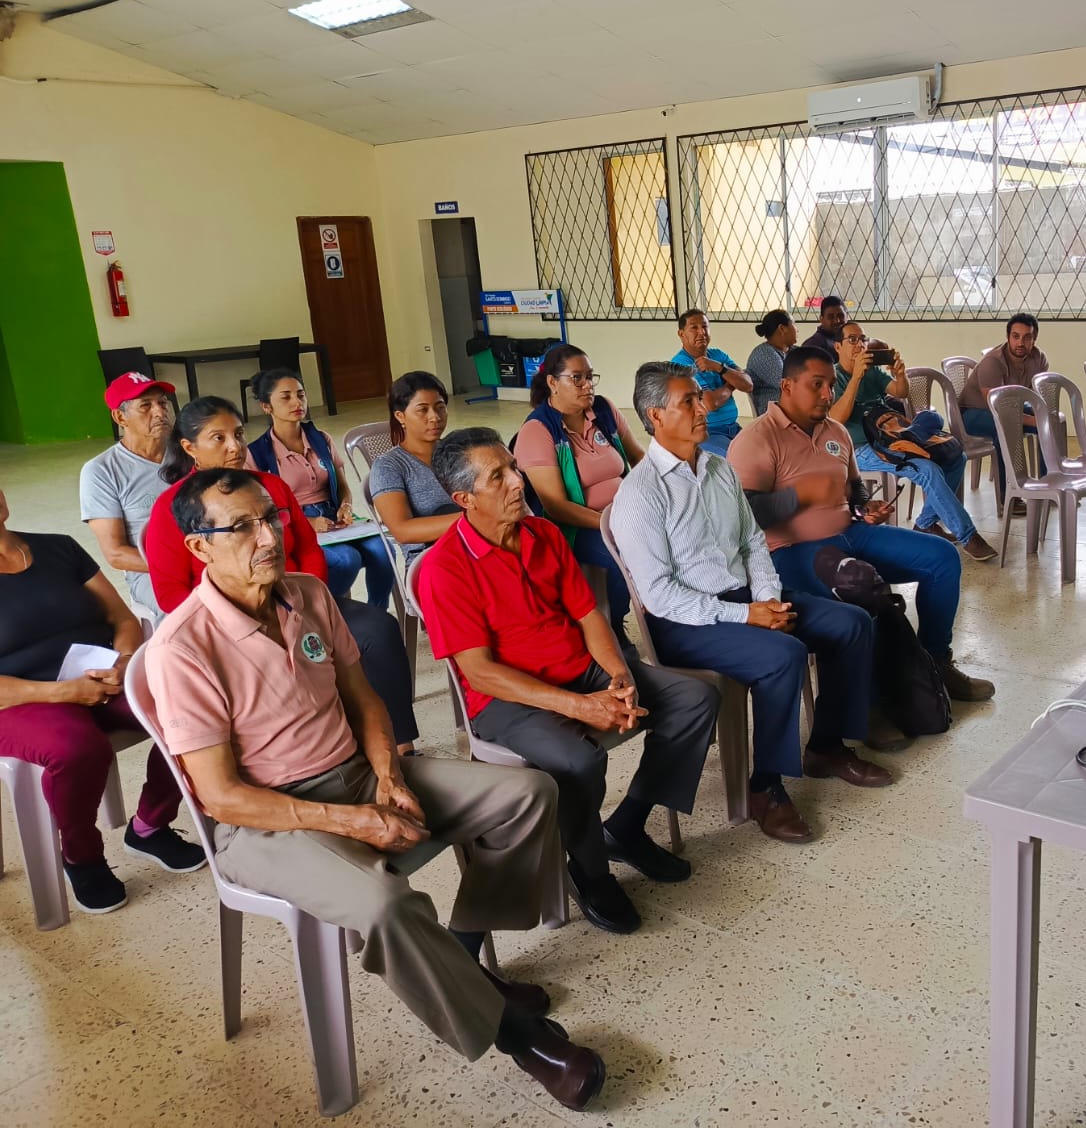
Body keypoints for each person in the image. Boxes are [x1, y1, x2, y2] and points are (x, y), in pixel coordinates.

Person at [143, 468, 605, 1111]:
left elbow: (363, 700)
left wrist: (387, 774)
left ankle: (460, 958)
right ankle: (519, 1037)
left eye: (271, 517)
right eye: (242, 527)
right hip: (268, 821)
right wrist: (353, 821)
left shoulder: (306, 593)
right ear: (199, 547)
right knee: (386, 904)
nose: (268, 537)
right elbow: (221, 797)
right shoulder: (182, 647)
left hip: (357, 772)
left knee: (527, 794)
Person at [414, 428, 719, 936]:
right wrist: (580, 707)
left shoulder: (543, 534)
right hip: (508, 698)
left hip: (581, 669)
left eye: (514, 467)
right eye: (498, 477)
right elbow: (480, 672)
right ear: (465, 499)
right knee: (579, 760)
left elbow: (588, 615)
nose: (518, 481)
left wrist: (619, 678)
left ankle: (627, 826)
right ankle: (591, 870)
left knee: (694, 698)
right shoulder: (445, 568)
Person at [612, 363, 891, 844]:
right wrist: (745, 616)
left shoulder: (718, 469)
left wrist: (767, 600)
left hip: (745, 598)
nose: (703, 408)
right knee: (782, 656)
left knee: (852, 623)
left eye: (699, 397)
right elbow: (659, 596)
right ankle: (765, 787)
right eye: (688, 402)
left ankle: (826, 745)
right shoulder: (641, 492)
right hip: (686, 621)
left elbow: (752, 542)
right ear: (655, 416)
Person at [143, 397, 420, 751]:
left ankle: (400, 745)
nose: (235, 447)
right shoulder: (173, 507)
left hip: (295, 602)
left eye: (238, 434)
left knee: (378, 628)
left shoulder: (269, 488)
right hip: (227, 625)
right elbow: (170, 593)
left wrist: (306, 600)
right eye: (218, 438)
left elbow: (308, 549)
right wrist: (233, 620)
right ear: (189, 447)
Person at [727, 347, 995, 703]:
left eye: (830, 385)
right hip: (792, 552)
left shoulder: (836, 431)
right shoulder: (757, 439)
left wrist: (864, 508)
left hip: (852, 534)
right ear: (787, 386)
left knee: (943, 558)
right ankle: (875, 693)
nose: (828, 394)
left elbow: (853, 488)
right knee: (858, 583)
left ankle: (933, 664)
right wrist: (799, 497)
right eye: (817, 384)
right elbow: (744, 515)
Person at [0, 483, 204, 915]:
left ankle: (149, 826)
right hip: (18, 699)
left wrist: (124, 662)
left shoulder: (58, 548)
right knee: (77, 749)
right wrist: (63, 692)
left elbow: (122, 617)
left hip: (101, 674)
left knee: (189, 711)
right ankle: (82, 856)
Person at [514, 345, 645, 648]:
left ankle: (671, 613)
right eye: (577, 378)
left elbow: (638, 457)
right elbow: (556, 507)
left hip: (624, 514)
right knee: (623, 556)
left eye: (590, 376)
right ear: (552, 382)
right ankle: (612, 627)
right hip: (577, 527)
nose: (587, 385)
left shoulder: (603, 410)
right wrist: (610, 525)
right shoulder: (538, 430)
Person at [831, 322, 997, 562]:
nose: (860, 345)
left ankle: (925, 523)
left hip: (891, 436)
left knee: (956, 458)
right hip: (860, 448)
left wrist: (900, 374)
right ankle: (968, 535)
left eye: (863, 339)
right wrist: (855, 377)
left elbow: (900, 392)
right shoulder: (835, 377)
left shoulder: (871, 371)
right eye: (852, 340)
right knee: (927, 470)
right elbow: (837, 418)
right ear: (838, 346)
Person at [247, 368, 393, 609]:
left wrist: (346, 505)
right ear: (266, 406)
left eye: (301, 394)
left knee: (383, 549)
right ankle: (323, 613)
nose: (297, 402)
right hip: (294, 523)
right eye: (286, 397)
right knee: (347, 559)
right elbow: (262, 510)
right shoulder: (257, 454)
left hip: (333, 517)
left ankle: (377, 612)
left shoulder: (321, 439)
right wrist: (308, 522)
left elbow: (342, 484)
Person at [80, 372, 176, 615]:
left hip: (210, 557)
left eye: (162, 402)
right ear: (120, 417)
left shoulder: (188, 451)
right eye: (146, 406)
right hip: (150, 570)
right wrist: (181, 566)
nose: (159, 412)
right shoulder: (102, 471)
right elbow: (116, 554)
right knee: (188, 611)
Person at [370, 371, 461, 563]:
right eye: (422, 410)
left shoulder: (460, 452)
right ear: (400, 416)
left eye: (440, 407)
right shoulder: (389, 466)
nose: (435, 417)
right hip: (430, 561)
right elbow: (402, 530)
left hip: (474, 549)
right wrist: (472, 520)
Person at [958, 312, 1049, 496]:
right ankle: (1008, 496)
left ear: (1034, 339)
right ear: (1008, 337)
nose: (1020, 343)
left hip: (1011, 408)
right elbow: (998, 410)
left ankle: (1048, 484)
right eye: (1015, 336)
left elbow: (1037, 399)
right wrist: (1035, 421)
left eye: (1027, 337)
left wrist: (1043, 419)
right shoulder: (993, 362)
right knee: (1006, 428)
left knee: (1049, 422)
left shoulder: (1039, 359)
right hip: (973, 414)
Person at [669, 309, 752, 458]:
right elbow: (711, 403)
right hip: (707, 432)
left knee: (765, 452)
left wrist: (719, 368)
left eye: (705, 326)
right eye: (694, 328)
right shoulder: (681, 364)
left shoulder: (718, 356)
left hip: (733, 428)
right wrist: (731, 383)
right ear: (681, 334)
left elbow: (748, 384)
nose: (701, 332)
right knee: (739, 460)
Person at [746, 309, 797, 416]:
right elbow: (789, 385)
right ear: (782, 328)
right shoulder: (763, 354)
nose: (797, 330)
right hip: (774, 414)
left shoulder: (793, 350)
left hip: (792, 408)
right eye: (794, 324)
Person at [800, 294, 847, 362]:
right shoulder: (814, 345)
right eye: (831, 317)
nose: (837, 320)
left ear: (847, 316)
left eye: (840, 316)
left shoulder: (851, 340)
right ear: (821, 319)